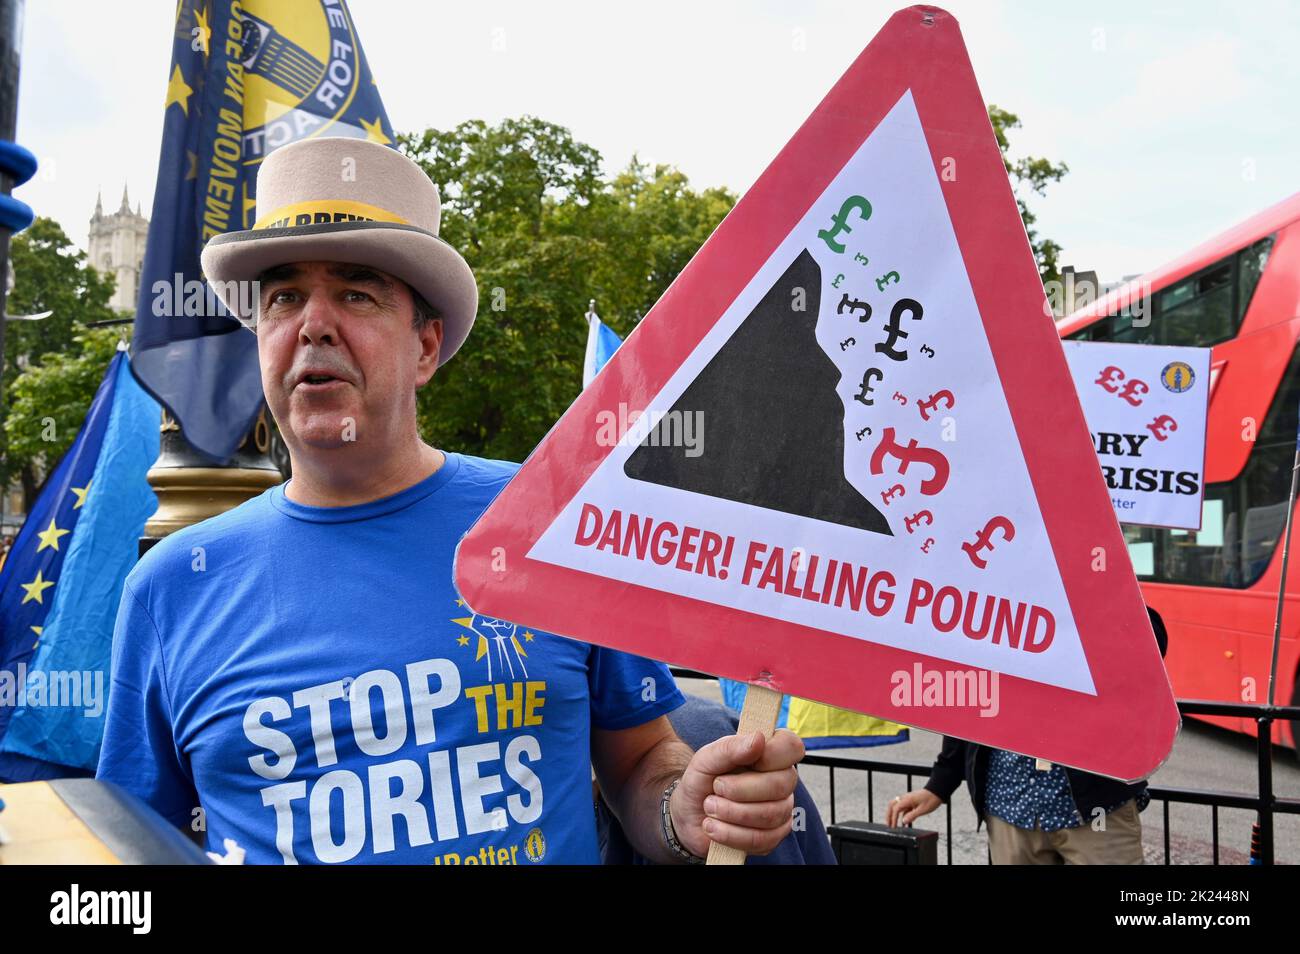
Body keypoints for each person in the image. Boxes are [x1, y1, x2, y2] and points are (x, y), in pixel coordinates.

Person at [95, 137, 804, 865]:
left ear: (427, 347)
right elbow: (125, 846)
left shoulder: (549, 520)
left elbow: (638, 760)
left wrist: (683, 810)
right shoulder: (169, 589)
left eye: (355, 293)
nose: (313, 323)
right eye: (282, 297)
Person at [886, 608, 1168, 865]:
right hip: (1010, 807)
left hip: (1096, 808)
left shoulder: (1092, 572)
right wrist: (940, 783)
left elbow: (1151, 644)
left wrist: (1092, 603)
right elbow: (973, 693)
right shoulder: (989, 591)